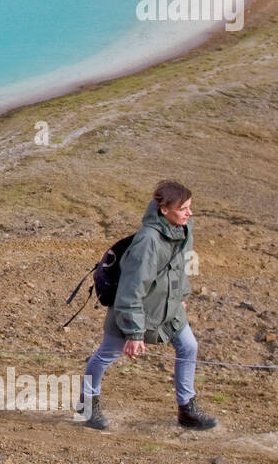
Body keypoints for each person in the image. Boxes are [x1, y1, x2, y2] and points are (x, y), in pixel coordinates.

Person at [77, 180, 216, 431]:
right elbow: (131, 290)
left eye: (190, 207)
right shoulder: (147, 241)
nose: (189, 213)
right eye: (184, 208)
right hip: (133, 312)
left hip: (168, 309)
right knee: (107, 355)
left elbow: (182, 267)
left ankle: (187, 409)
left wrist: (181, 296)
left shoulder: (183, 231)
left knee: (188, 346)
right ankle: (86, 402)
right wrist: (134, 332)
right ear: (164, 210)